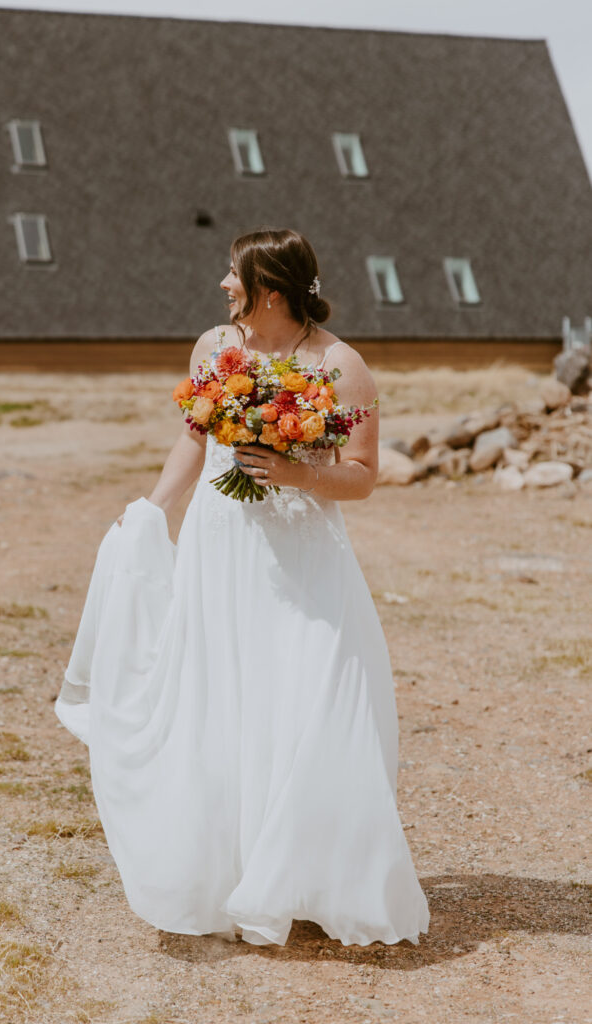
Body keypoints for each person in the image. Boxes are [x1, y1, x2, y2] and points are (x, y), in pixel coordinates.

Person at [55, 227, 430, 948]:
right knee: (225, 696)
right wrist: (153, 511)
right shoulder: (210, 348)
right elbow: (195, 440)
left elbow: (362, 475)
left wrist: (296, 472)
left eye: (234, 276)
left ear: (270, 290)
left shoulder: (338, 365)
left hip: (302, 557)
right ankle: (235, 870)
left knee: (315, 695)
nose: (223, 287)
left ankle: (314, 874)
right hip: (220, 544)